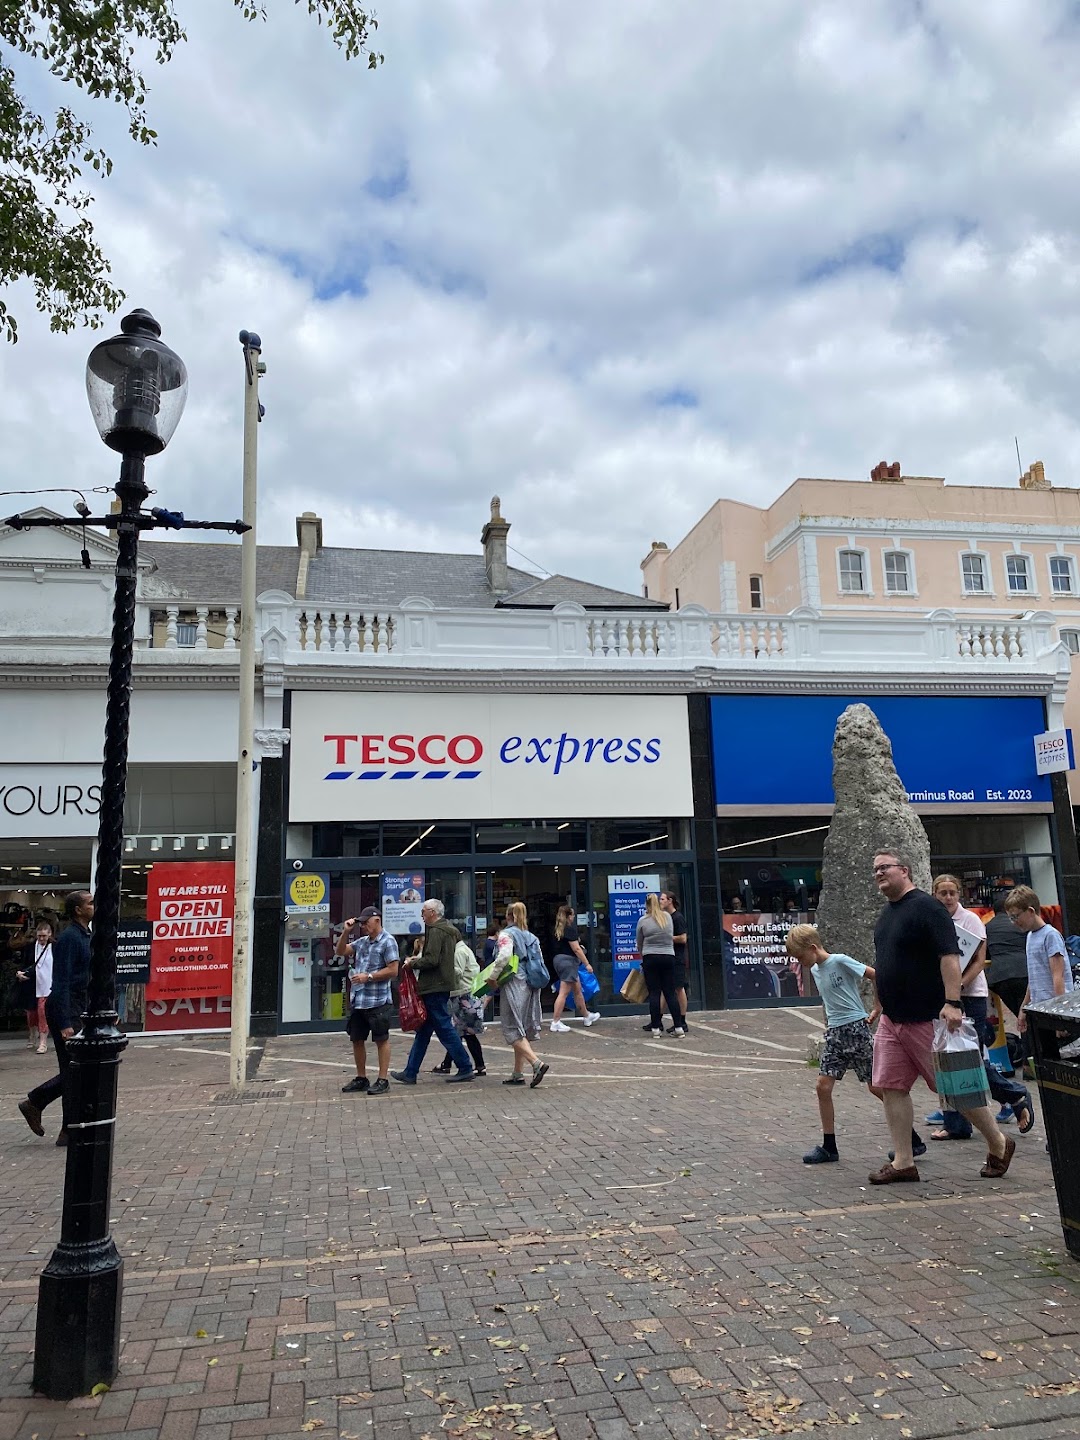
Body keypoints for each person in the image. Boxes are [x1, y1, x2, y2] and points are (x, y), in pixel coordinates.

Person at [868, 850, 1015, 1184]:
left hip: (927, 1016)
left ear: (904, 870)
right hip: (893, 1018)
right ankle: (904, 1162)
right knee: (890, 1086)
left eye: (884, 868)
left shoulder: (927, 907)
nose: (878, 874)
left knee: (953, 1088)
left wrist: (952, 1002)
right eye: (875, 870)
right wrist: (879, 1003)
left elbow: (950, 957)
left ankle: (998, 1142)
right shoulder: (887, 914)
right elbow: (885, 964)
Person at [926, 876, 1033, 1139]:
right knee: (944, 1057)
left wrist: (958, 986)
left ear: (959, 894)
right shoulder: (932, 919)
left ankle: (1013, 1093)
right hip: (939, 997)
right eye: (943, 893)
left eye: (952, 893)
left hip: (969, 996)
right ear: (935, 894)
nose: (948, 898)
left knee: (968, 1057)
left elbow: (979, 959)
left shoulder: (971, 920)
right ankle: (956, 1123)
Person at [785, 924, 882, 1164]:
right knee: (823, 1086)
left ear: (813, 948)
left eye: (800, 956)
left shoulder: (839, 961)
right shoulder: (817, 970)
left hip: (856, 1029)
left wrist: (878, 1006)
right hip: (835, 1032)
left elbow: (875, 975)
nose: (799, 962)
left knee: (876, 1086)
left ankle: (910, 1138)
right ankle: (829, 1146)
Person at [18, 891, 93, 1146]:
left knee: (78, 1070)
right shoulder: (70, 938)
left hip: (78, 1004)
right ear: (78, 910)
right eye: (90, 903)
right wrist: (64, 1023)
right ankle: (39, 1103)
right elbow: (60, 981)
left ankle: (65, 1127)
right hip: (65, 1005)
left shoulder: (85, 935)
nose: (94, 906)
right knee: (74, 1070)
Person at [391, 899, 476, 1084]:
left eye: (423, 911)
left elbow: (432, 959)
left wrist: (412, 963)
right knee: (424, 1031)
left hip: (434, 985)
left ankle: (465, 1066)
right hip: (439, 984)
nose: (421, 914)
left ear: (432, 912)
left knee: (444, 1027)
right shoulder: (447, 929)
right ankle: (410, 1071)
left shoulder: (436, 930)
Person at [336, 907, 399, 1096]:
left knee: (381, 1039)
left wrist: (368, 977)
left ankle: (383, 1079)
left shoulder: (388, 942)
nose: (363, 926)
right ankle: (361, 1077)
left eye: (366, 922)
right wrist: (346, 931)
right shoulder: (362, 942)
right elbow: (341, 951)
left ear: (377, 920)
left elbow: (394, 970)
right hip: (360, 999)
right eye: (361, 923)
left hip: (378, 999)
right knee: (357, 1039)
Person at [492, 901, 549, 1087]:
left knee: (511, 1026)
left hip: (513, 982)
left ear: (508, 916)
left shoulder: (506, 934)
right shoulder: (531, 936)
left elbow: (504, 956)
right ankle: (517, 1073)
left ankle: (536, 1063)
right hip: (531, 984)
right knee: (521, 1026)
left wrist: (493, 977)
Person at [1008, 884, 1074, 1044]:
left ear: (1030, 911)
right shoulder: (1030, 936)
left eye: (1016, 916)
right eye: (1011, 918)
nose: (1014, 922)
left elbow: (1058, 977)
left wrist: (1061, 1017)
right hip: (1040, 1009)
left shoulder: (1050, 935)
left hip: (1054, 1009)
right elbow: (1034, 977)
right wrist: (1024, 1008)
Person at [431, 937, 489, 1075]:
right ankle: (450, 1064)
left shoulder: (458, 952)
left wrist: (442, 973)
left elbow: (457, 973)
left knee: (459, 1032)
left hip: (464, 995)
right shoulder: (464, 950)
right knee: (461, 1032)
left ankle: (452, 1065)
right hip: (468, 995)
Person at [636, 894, 685, 1038]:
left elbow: (639, 941)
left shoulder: (643, 920)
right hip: (668, 956)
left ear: (647, 905)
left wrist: (642, 954)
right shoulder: (667, 918)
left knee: (654, 993)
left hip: (650, 957)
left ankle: (656, 1028)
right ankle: (678, 1027)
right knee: (670, 992)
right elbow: (670, 936)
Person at [549, 905, 600, 1032]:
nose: (573, 917)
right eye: (572, 915)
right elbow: (576, 949)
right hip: (568, 962)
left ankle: (586, 1016)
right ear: (568, 916)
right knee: (564, 993)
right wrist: (587, 964)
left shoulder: (556, 929)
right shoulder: (569, 930)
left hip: (559, 960)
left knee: (577, 990)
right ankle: (555, 1021)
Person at [984, 893, 1031, 1029]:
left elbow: (985, 953)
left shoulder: (987, 927)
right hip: (1023, 973)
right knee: (1029, 1017)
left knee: (1021, 1016)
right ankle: (1033, 1047)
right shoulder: (1019, 924)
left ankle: (1028, 1045)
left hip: (1000, 978)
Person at [14, 917, 54, 1054]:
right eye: (39, 936)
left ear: (50, 934)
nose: (42, 939)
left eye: (44, 936)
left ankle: (43, 1041)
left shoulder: (55, 947)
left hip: (48, 985)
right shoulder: (31, 947)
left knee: (42, 1012)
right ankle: (32, 1034)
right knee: (31, 1014)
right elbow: (26, 964)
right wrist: (21, 974)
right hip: (32, 984)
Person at [659, 890, 689, 1033]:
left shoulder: (677, 918)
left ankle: (682, 1021)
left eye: (662, 899)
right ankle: (657, 1020)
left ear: (670, 900)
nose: (660, 902)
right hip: (668, 957)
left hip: (677, 958)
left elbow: (683, 938)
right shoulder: (666, 917)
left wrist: (667, 937)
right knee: (666, 989)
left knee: (679, 988)